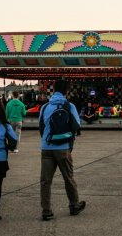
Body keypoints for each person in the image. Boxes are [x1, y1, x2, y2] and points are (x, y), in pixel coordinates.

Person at [39, 80, 85, 221]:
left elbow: (41, 127)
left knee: (45, 181)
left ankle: (46, 211)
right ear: (67, 91)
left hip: (46, 148)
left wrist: (48, 140)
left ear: (54, 90)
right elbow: (76, 125)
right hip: (63, 148)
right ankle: (73, 205)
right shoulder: (69, 106)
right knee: (68, 178)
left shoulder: (45, 106)